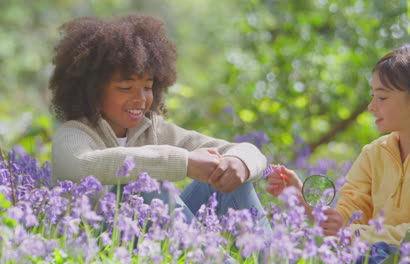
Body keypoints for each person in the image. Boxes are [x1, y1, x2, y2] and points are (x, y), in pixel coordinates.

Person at [48, 14, 269, 229]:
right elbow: (78, 165)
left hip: (154, 238)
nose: (141, 98)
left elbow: (245, 151)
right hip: (103, 242)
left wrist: (240, 163)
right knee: (143, 186)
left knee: (229, 174)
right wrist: (184, 162)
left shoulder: (153, 130)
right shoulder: (74, 133)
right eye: (126, 88)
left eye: (148, 87)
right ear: (92, 90)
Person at [266, 44, 410, 245]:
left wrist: (349, 232)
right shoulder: (374, 153)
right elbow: (348, 218)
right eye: (373, 96)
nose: (372, 106)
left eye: (382, 97)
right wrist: (303, 202)